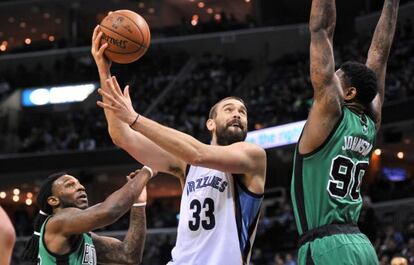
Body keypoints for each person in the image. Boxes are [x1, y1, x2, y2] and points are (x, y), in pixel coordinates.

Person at [92, 26, 267, 265]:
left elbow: (198, 153)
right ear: (210, 124)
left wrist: (134, 118)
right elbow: (122, 136)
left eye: (243, 112)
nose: (237, 114)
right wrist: (104, 69)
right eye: (229, 110)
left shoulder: (253, 156)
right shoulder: (184, 165)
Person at [290, 0, 399, 264]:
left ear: (349, 93)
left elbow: (321, 30)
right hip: (362, 246)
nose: (330, 82)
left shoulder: (330, 113)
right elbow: (379, 55)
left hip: (327, 247)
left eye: (336, 78)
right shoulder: (371, 121)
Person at [22, 166, 154, 264]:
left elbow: (129, 256)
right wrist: (148, 169)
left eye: (80, 184)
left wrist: (138, 204)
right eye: (70, 185)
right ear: (53, 200)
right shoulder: (57, 222)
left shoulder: (84, 238)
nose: (81, 187)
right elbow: (109, 211)